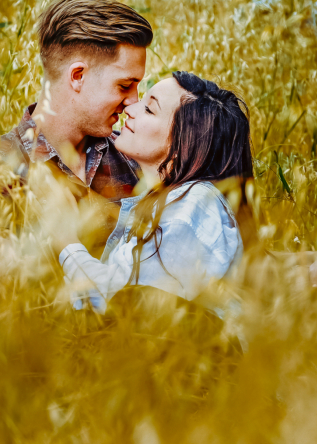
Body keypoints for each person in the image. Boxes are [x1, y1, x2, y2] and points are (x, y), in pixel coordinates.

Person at [0, 0, 317, 294]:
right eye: (125, 85)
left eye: (141, 89)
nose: (133, 102)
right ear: (77, 76)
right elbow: (0, 290)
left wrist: (288, 263)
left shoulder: (139, 151)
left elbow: (197, 244)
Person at [40, 72, 249, 313]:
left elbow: (121, 303)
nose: (131, 107)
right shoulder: (174, 203)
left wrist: (66, 241)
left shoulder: (194, 208)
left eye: (150, 109)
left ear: (183, 145)